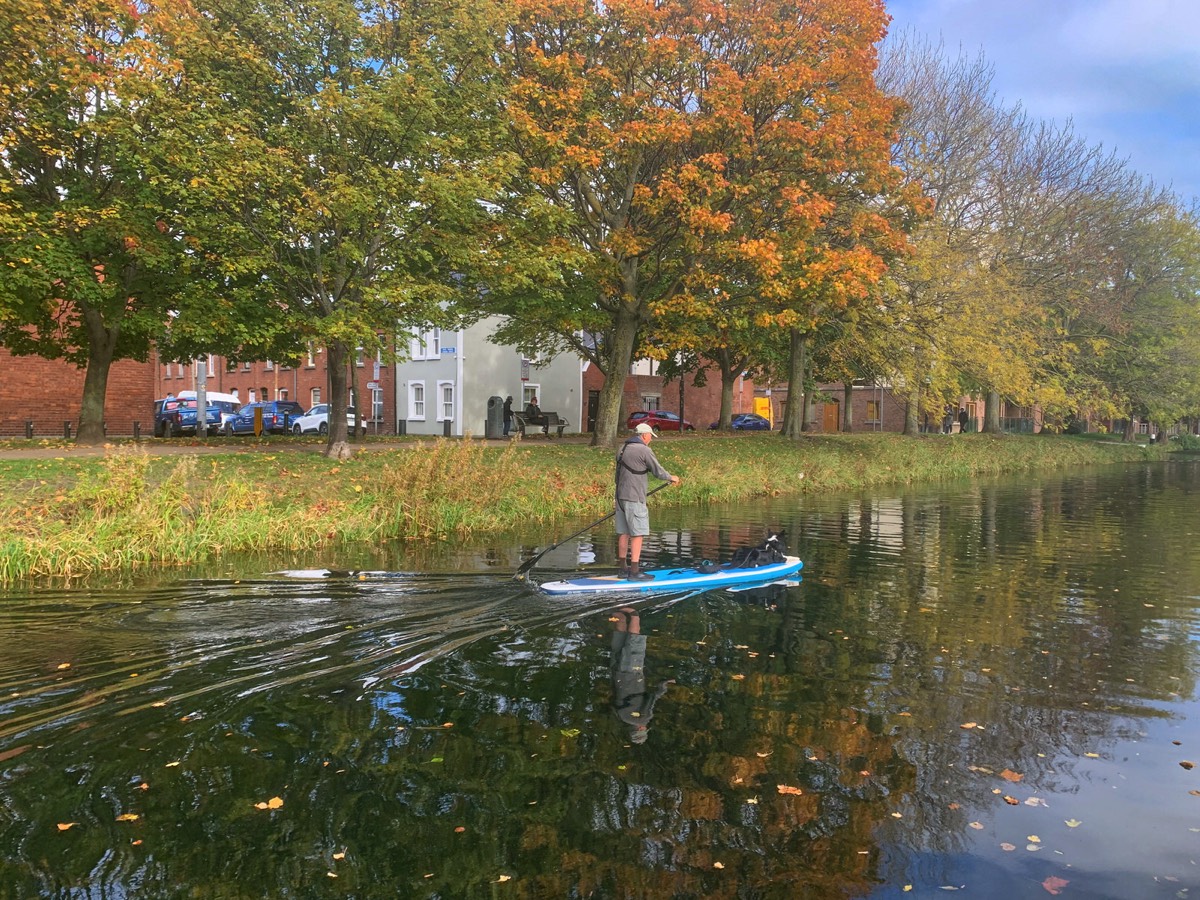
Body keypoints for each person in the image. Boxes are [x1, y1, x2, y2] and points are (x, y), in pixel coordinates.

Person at [616, 421, 680, 580]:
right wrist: (671, 477)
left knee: (623, 533)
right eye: (650, 436)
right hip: (635, 497)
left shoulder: (622, 448)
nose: (651, 439)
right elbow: (658, 471)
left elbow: (617, 475)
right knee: (638, 533)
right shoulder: (644, 450)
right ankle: (635, 572)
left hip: (620, 497)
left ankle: (623, 569)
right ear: (644, 435)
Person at [610, 607, 673, 745]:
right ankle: (616, 609)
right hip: (616, 673)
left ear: (640, 729)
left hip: (632, 673)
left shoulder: (643, 719)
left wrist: (665, 684)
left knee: (635, 642)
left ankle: (633, 612)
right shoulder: (620, 716)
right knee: (620, 636)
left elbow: (653, 697)